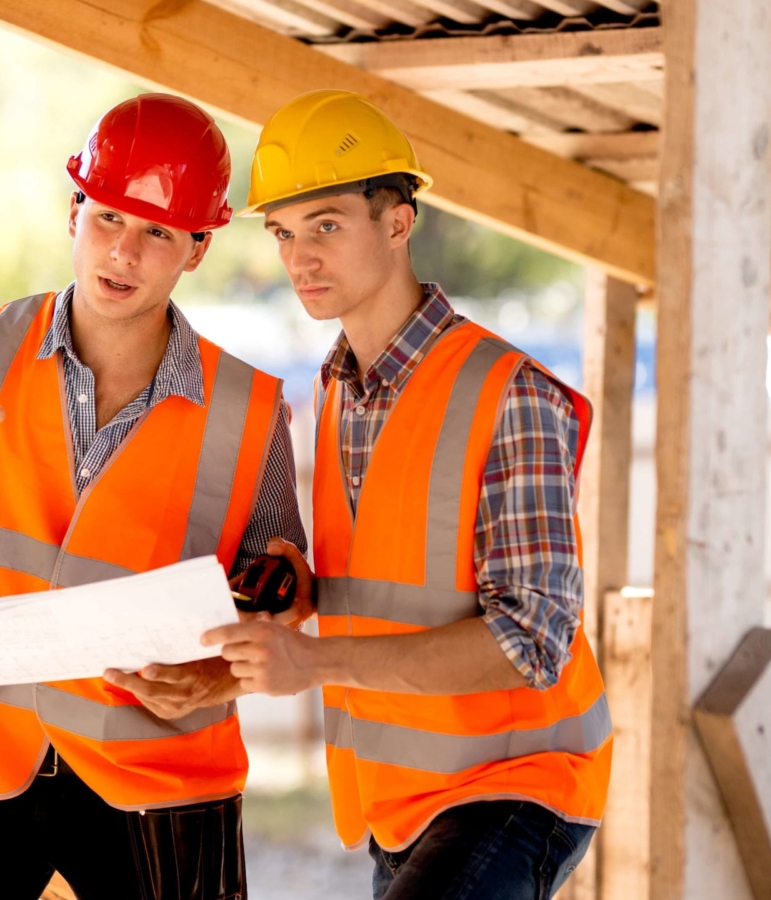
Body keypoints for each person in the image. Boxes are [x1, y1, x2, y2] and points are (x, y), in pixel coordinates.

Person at [0, 93, 306, 900]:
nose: (125, 252)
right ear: (73, 209)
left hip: (160, 780)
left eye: (158, 233)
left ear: (198, 249)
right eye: (107, 217)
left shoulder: (247, 409)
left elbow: (282, 590)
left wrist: (224, 670)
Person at [205, 90, 611, 900]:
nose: (299, 259)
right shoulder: (333, 390)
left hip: (518, 782)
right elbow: (400, 579)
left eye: (325, 224)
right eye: (283, 233)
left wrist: (314, 660)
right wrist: (302, 596)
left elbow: (532, 640)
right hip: (398, 793)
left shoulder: (509, 393)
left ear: (399, 222)